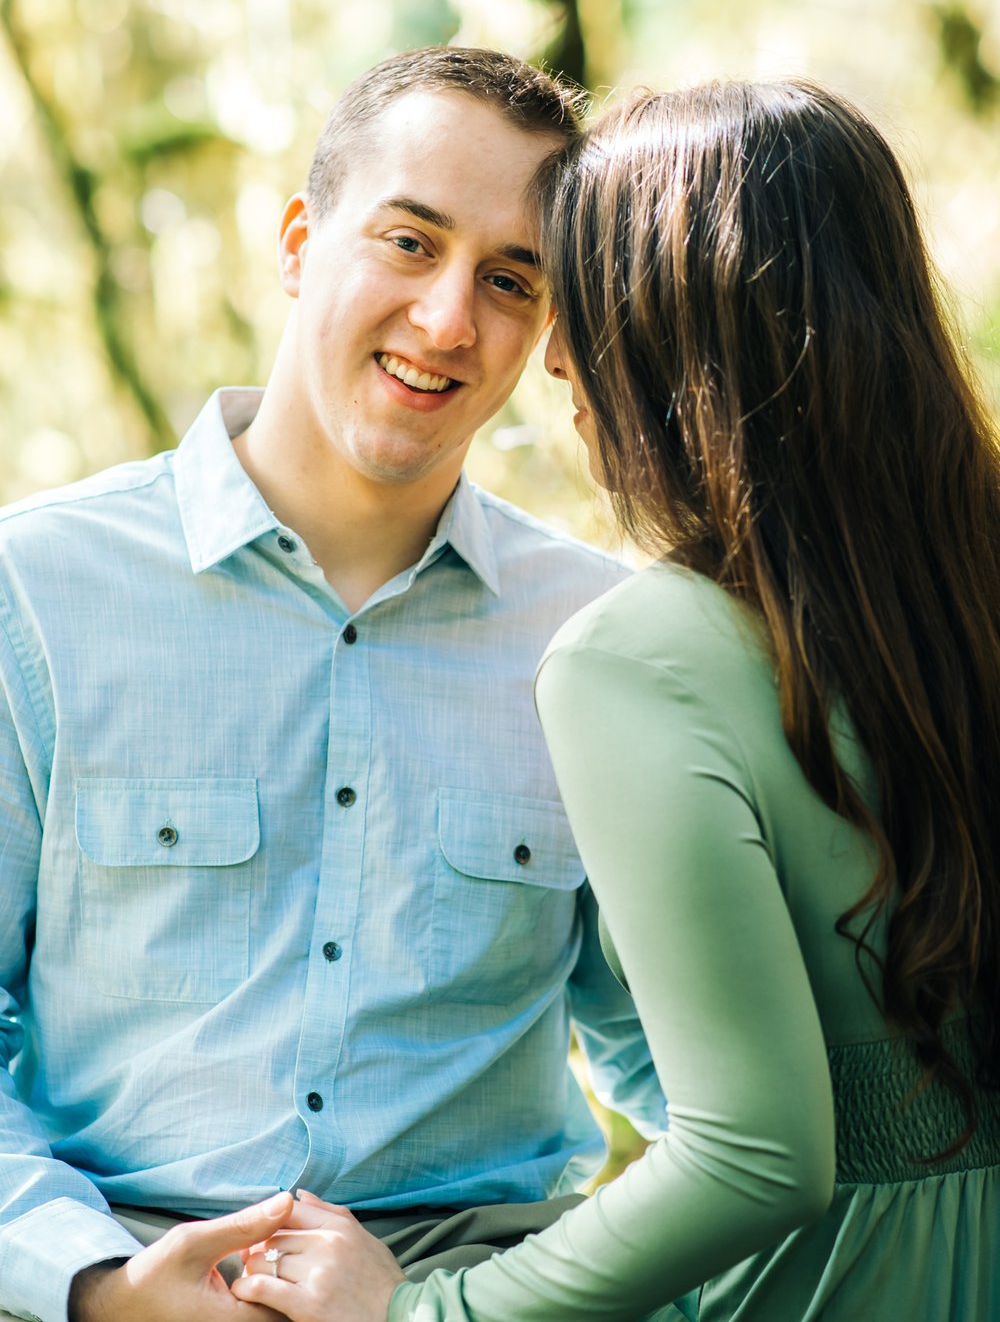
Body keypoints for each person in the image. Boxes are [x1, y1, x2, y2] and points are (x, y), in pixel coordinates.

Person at [232, 78, 1000, 1321]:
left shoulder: (625, 658)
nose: (550, 363)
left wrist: (424, 1315)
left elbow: (751, 1154)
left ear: (666, 338)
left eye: (551, 294)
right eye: (412, 242)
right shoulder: (948, 616)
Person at [0, 47, 669, 1322]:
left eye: (510, 280)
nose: (447, 322)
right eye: (409, 243)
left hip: (481, 1291)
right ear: (302, 240)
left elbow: (680, 1066)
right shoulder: (34, 588)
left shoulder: (596, 638)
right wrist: (95, 1285)